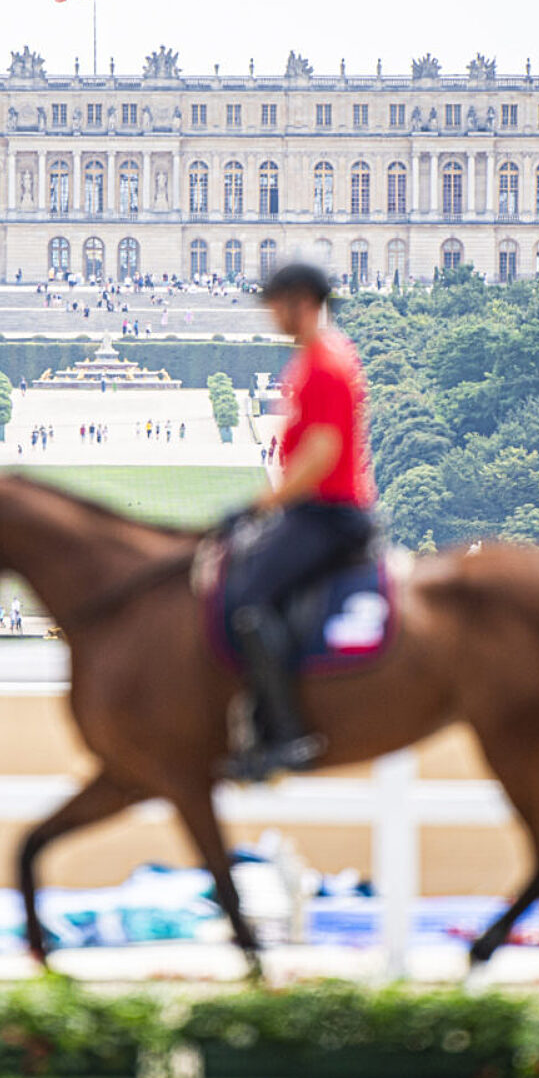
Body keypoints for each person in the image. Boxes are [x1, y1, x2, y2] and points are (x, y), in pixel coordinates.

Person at [221, 262, 377, 782]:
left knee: (246, 599)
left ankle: (288, 731)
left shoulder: (325, 364)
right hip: (315, 511)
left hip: (327, 514)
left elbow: (320, 455)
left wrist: (261, 504)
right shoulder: (316, 358)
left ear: (301, 302)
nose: (270, 314)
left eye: (276, 303)